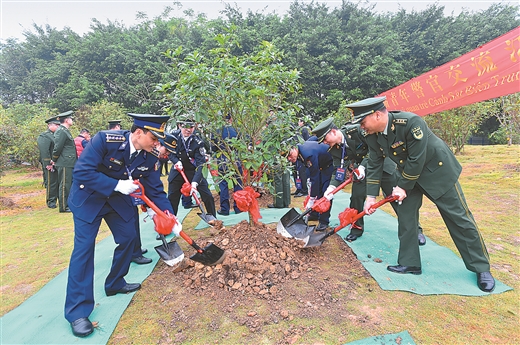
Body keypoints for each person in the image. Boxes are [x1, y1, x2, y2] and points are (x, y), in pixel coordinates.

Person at [350, 96, 494, 292]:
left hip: (437, 172)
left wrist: (402, 187)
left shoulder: (410, 123)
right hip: (408, 176)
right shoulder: (372, 135)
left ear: (376, 115)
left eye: (363, 122)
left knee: (458, 218)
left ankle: (481, 268)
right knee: (406, 217)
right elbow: (375, 162)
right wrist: (370, 197)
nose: (362, 127)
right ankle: (410, 263)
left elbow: (417, 158)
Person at [64, 113, 178, 337]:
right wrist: (115, 184)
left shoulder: (149, 157)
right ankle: (77, 311)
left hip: (117, 201)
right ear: (138, 133)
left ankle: (115, 282)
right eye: (154, 138)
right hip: (88, 199)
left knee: (128, 239)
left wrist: (171, 218)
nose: (157, 144)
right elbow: (82, 171)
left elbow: (155, 189)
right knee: (84, 250)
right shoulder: (105, 140)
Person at [312, 118, 426, 244]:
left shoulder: (358, 131)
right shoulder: (334, 148)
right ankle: (356, 229)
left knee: (397, 199)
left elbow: (375, 149)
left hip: (383, 167)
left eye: (325, 139)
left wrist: (362, 167)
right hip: (361, 174)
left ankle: (416, 230)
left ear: (333, 132)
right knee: (356, 198)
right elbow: (339, 169)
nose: (325, 143)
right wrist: (331, 188)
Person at [166, 114, 217, 217]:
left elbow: (200, 164)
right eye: (185, 126)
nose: (188, 130)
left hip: (193, 171)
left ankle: (213, 218)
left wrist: (194, 183)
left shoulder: (198, 142)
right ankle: (170, 222)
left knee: (207, 195)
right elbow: (169, 152)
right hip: (178, 171)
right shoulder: (173, 137)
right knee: (172, 197)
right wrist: (176, 161)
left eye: (191, 127)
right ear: (180, 126)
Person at [285, 139, 334, 231]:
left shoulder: (308, 154)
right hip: (320, 166)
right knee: (317, 190)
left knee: (325, 193)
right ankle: (314, 214)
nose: (289, 159)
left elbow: (315, 177)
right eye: (287, 157)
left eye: (290, 155)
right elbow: (311, 174)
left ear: (294, 149)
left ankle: (324, 221)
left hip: (329, 165)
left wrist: (311, 198)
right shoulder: (300, 152)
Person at [212, 114, 243, 216]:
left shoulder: (216, 131)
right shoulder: (237, 130)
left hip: (223, 159)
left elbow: (213, 148)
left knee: (223, 184)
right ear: (231, 119)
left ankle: (224, 209)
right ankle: (238, 207)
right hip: (236, 159)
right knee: (238, 183)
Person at [51, 111, 77, 213]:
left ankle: (68, 204)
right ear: (66, 120)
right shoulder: (61, 131)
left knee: (69, 184)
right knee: (64, 184)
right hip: (64, 161)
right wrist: (54, 159)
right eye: (71, 118)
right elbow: (57, 147)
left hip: (69, 161)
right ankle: (63, 206)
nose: (72, 120)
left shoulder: (65, 130)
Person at [37, 116, 60, 209]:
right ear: (49, 125)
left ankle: (60, 198)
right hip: (50, 163)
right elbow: (44, 151)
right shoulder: (45, 136)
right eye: (57, 125)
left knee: (59, 181)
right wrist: (48, 164)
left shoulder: (57, 135)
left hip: (58, 162)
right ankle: (51, 201)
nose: (58, 127)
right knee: (51, 182)